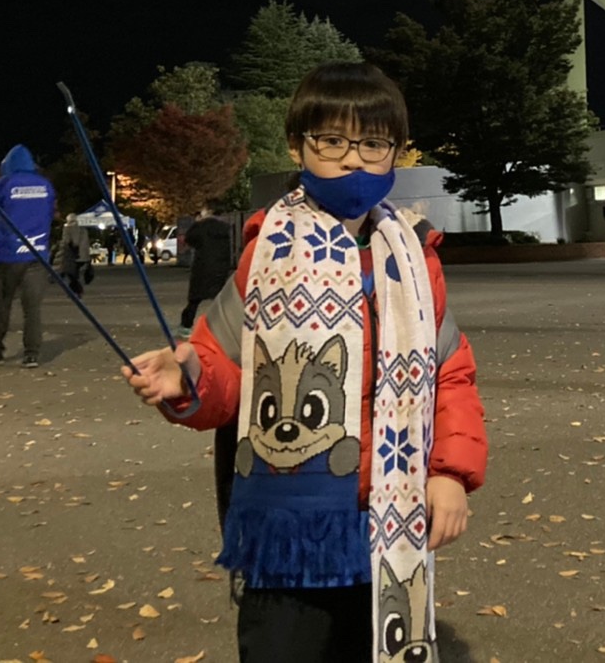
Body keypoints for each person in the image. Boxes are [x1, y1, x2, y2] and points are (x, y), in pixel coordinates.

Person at [121, 61, 487, 662]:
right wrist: (187, 380)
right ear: (298, 145)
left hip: (388, 517)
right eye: (332, 141)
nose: (353, 161)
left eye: (373, 144)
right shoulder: (264, 253)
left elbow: (450, 374)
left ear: (395, 151)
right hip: (288, 535)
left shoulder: (415, 257)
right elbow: (224, 374)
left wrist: (450, 474)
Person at [0, 144, 56, 368]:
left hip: (7, 254)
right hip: (37, 254)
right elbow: (50, 213)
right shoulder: (45, 185)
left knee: (2, 304)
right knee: (32, 308)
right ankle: (31, 354)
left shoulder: (3, 184)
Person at [178, 207, 235, 337]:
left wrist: (198, 222)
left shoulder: (201, 226)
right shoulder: (225, 227)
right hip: (220, 265)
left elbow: (190, 239)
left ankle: (186, 325)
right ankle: (224, 326)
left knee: (195, 299)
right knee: (220, 298)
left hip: (202, 265)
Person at [54, 211, 92, 296]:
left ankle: (77, 290)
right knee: (75, 274)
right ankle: (75, 290)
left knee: (71, 274)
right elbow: (86, 243)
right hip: (83, 256)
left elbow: (67, 241)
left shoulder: (67, 228)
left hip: (72, 255)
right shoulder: (83, 230)